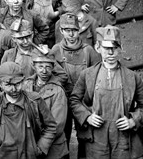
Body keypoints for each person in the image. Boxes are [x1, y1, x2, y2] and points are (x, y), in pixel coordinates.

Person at [70, 25, 143, 159]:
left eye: (114, 48)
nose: (110, 53)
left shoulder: (132, 77)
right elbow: (74, 100)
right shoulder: (87, 75)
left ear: (120, 49)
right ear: (98, 48)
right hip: (96, 138)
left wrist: (133, 121)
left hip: (122, 138)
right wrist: (87, 117)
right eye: (106, 48)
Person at [0, 62, 57, 158]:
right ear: (0, 84)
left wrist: (40, 148)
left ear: (23, 81)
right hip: (2, 154)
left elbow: (51, 127)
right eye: (8, 85)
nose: (14, 89)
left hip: (28, 154)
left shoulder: (34, 101)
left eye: (18, 84)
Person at [50, 12, 101, 144]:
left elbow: (98, 75)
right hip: (63, 102)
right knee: (62, 136)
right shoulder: (56, 50)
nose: (71, 34)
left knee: (86, 137)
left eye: (74, 30)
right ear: (61, 30)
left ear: (79, 31)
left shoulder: (88, 51)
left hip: (83, 102)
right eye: (67, 30)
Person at [22, 52, 69, 159]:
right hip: (29, 143)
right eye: (40, 66)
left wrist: (40, 146)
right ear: (34, 67)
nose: (44, 71)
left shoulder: (58, 90)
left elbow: (57, 125)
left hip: (52, 147)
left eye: (48, 67)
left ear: (53, 68)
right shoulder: (26, 85)